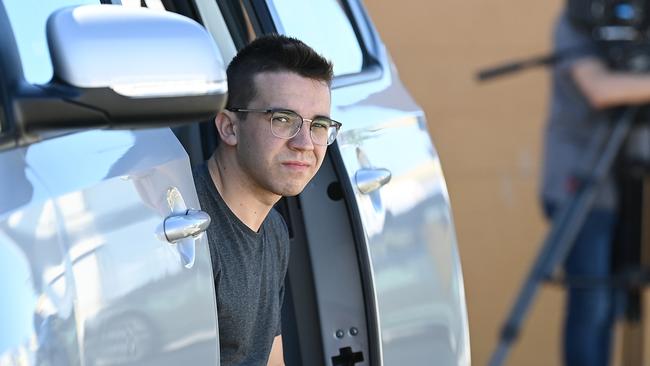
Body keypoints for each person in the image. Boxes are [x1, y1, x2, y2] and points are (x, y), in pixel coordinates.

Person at [193, 34, 339, 365]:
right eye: (282, 119)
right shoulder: (190, 238)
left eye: (318, 125)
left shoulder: (273, 230)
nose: (305, 143)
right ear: (229, 128)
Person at [541, 9, 650, 366]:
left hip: (634, 182)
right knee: (593, 302)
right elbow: (600, 89)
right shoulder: (584, 14)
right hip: (583, 182)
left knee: (617, 299)